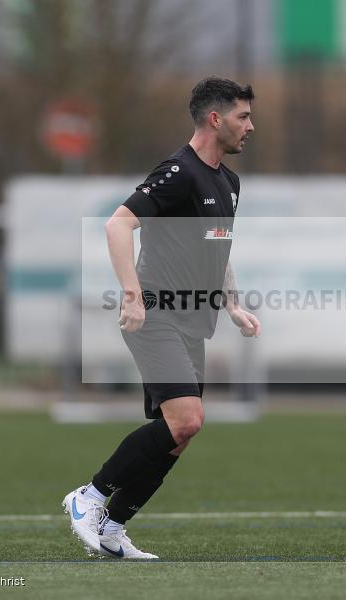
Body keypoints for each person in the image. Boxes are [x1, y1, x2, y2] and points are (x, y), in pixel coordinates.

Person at [63, 76, 260, 559]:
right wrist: (132, 294)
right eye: (243, 116)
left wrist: (232, 303)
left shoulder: (228, 182)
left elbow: (219, 250)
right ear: (216, 119)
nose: (250, 127)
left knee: (176, 436)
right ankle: (86, 498)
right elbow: (118, 224)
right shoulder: (179, 172)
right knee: (186, 420)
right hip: (157, 317)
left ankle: (111, 527)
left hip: (194, 323)